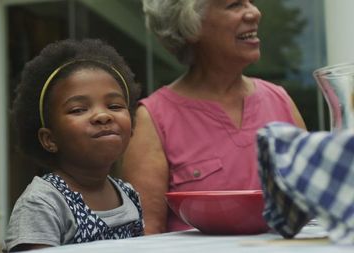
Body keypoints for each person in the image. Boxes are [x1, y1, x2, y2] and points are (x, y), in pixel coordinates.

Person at [121, 0, 306, 234]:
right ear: (191, 25)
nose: (254, 13)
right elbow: (146, 236)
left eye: (251, 2)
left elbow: (315, 205)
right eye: (234, 5)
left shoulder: (281, 100)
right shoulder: (152, 119)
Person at [4, 38, 143, 252]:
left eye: (114, 105)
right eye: (78, 109)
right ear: (49, 140)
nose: (102, 115)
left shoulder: (129, 194)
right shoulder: (43, 203)